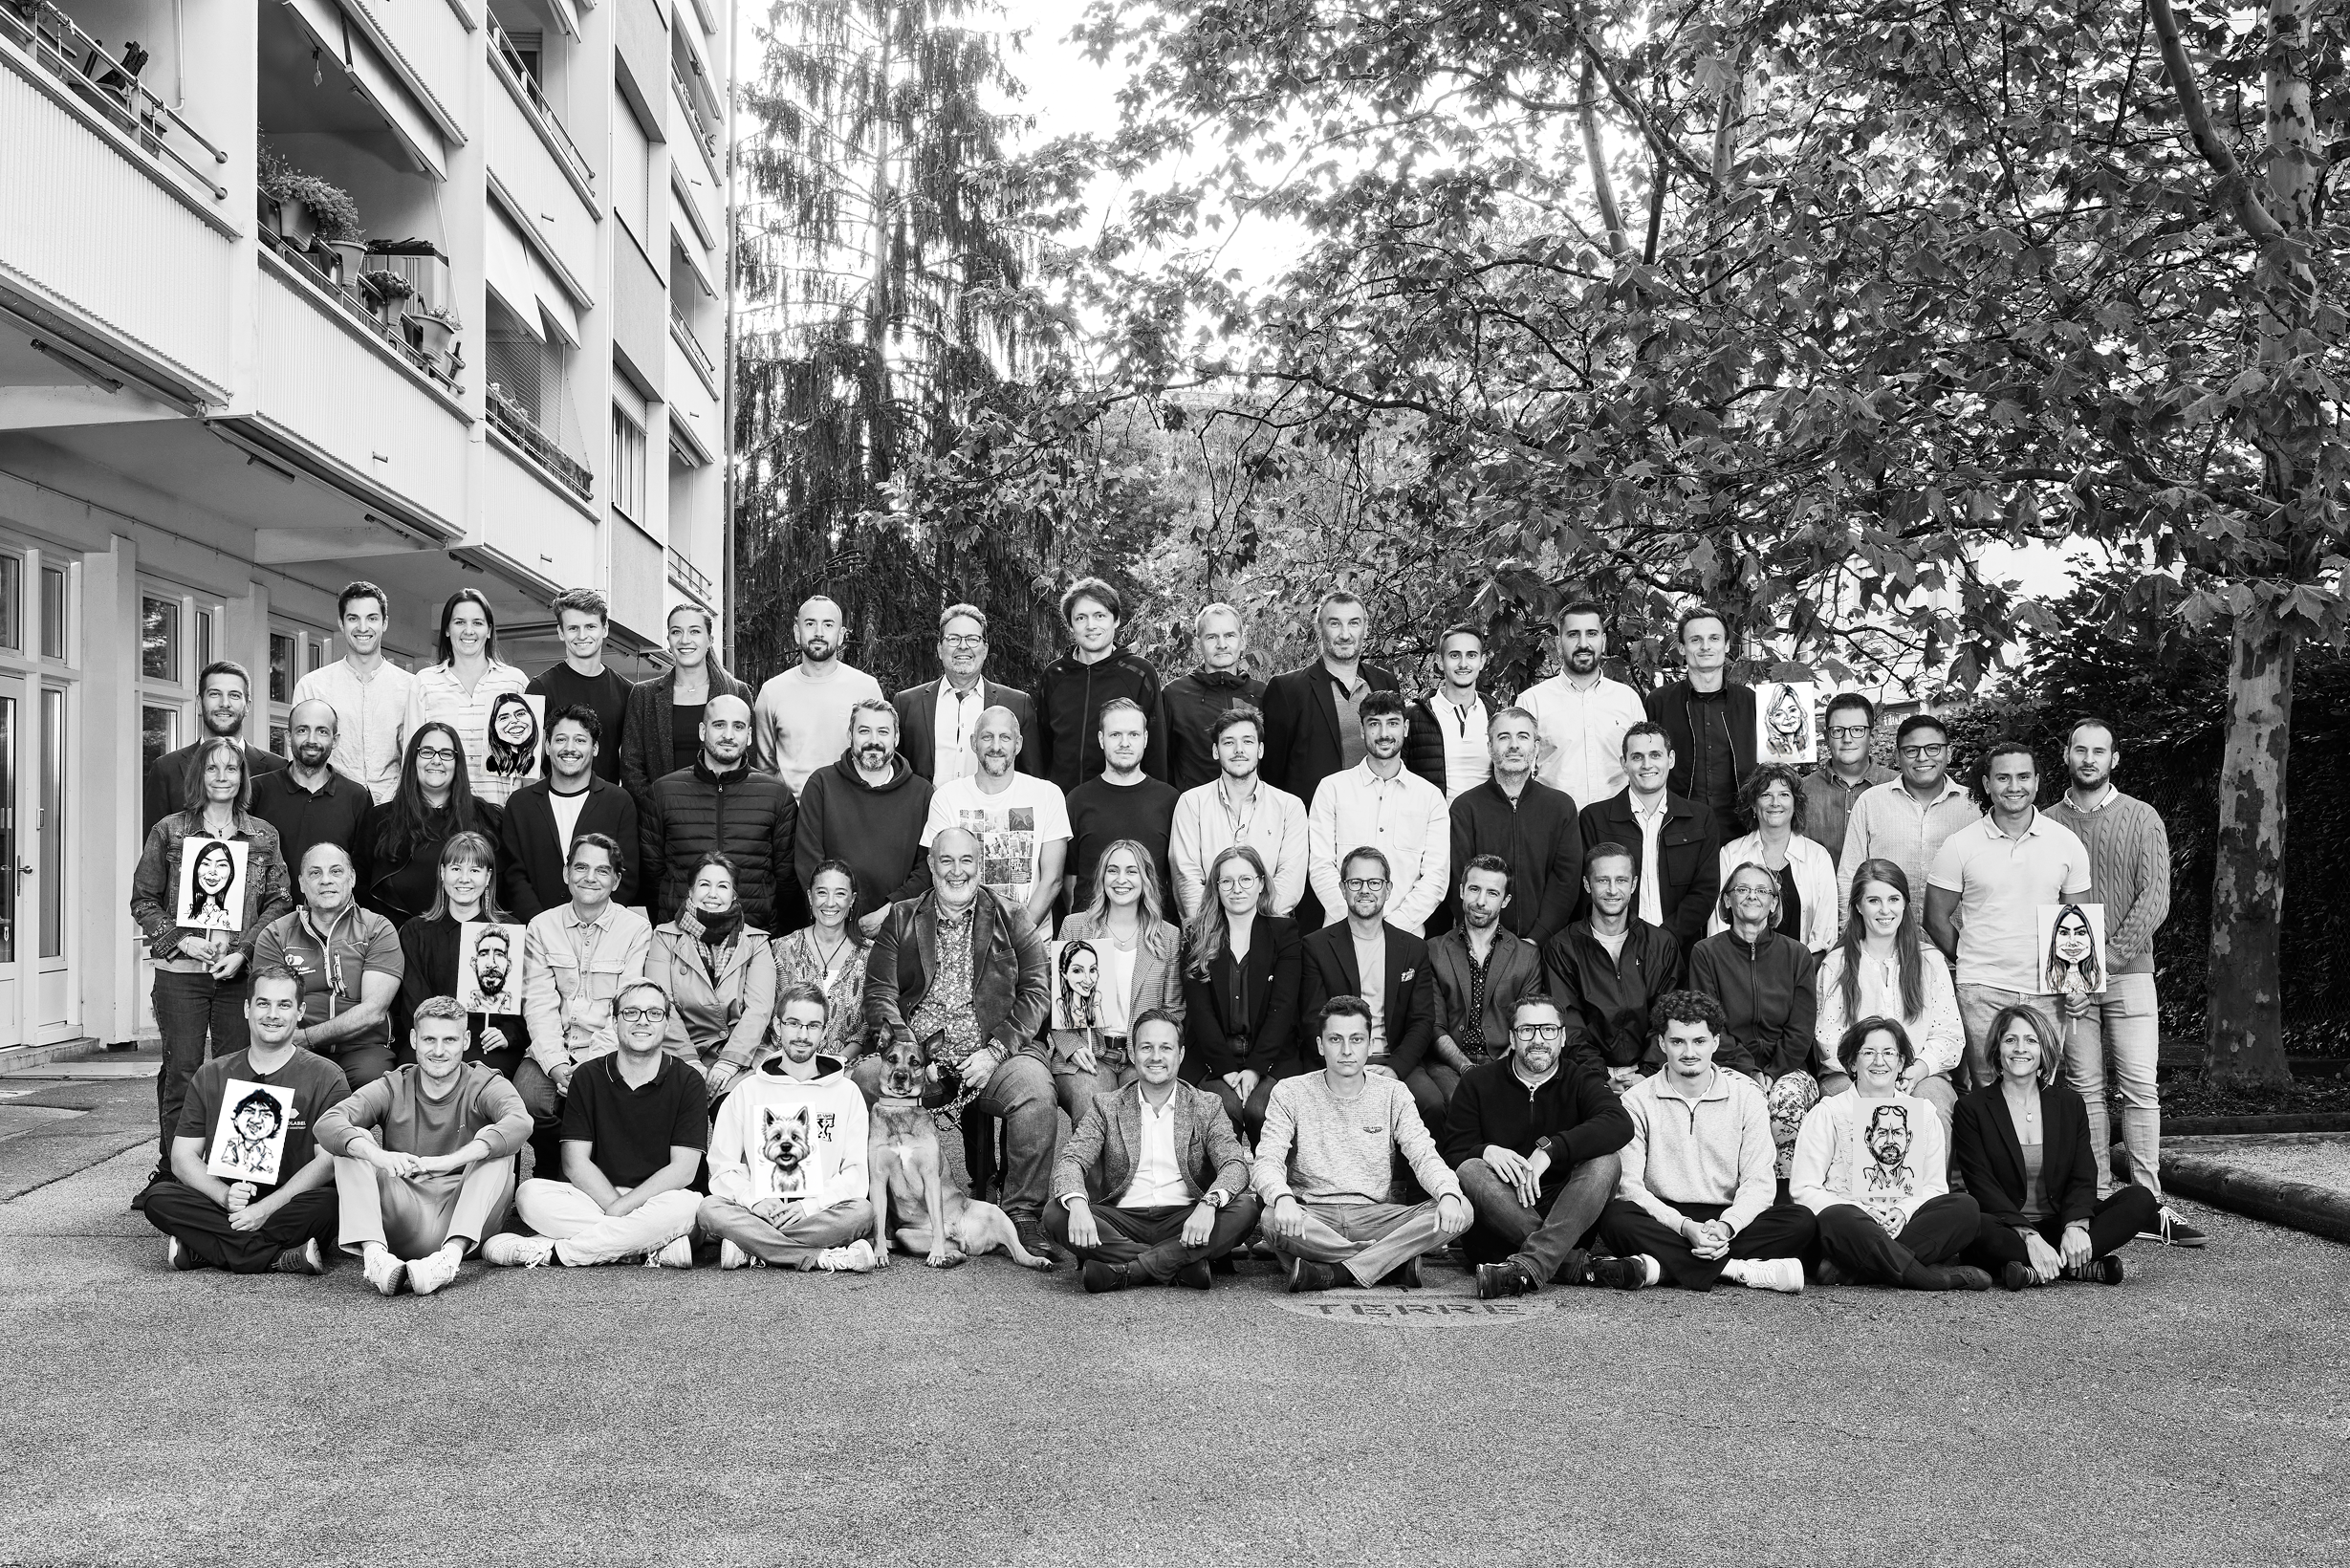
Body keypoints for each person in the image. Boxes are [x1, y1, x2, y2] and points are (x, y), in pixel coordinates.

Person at [857, 826, 1057, 1256]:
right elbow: (879, 991)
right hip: (920, 1057)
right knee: (866, 1078)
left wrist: (995, 1051)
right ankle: (879, 1213)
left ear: (980, 865)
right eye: (946, 860)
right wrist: (912, 1054)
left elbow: (1037, 992)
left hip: (995, 1052)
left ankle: (1023, 1212)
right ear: (931, 866)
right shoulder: (902, 916)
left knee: (1035, 1092)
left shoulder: (1012, 916)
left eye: (966, 860)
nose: (957, 870)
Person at [2044, 715, 2200, 1244]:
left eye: (2099, 751)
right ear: (2067, 755)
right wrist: (2075, 973)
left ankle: (2150, 1204)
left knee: (2139, 1087)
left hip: (2129, 974)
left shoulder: (2142, 817)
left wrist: (2106, 959)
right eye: (2080, 749)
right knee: (2084, 1088)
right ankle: (2097, 1198)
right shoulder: (2045, 823)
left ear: (2114, 759)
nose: (2088, 759)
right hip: (2067, 980)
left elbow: (2155, 898)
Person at [130, 737, 294, 1197]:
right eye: (212, 768)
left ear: (243, 777)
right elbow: (143, 899)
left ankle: (232, 1177)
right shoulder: (169, 831)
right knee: (182, 1073)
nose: (223, 776)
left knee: (237, 1074)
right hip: (180, 976)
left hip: (238, 975)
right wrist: (183, 939)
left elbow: (281, 900)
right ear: (198, 776)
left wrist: (244, 950)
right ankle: (174, 1175)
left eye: (232, 768)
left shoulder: (263, 836)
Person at [1593, 990, 1817, 1293]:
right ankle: (1736, 1270)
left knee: (1801, 1220)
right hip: (1665, 1215)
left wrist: (1727, 1226)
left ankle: (1661, 1267)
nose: (1689, 1052)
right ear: (1662, 1043)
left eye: (1699, 1041)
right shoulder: (1636, 1101)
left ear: (1715, 1042)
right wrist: (1685, 1227)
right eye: (1677, 1042)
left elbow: (1759, 1183)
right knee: (1615, 1218)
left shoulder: (1747, 1097)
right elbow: (1630, 1186)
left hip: (1727, 1214)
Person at [316, 996, 533, 1296]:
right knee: (354, 1141)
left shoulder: (484, 1082)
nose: (439, 1051)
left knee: (495, 1143)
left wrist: (450, 1160)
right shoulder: (394, 1085)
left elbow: (520, 1122)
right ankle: (375, 1259)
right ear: (414, 1039)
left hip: (467, 1219)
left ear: (466, 1040)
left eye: (449, 1040)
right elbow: (327, 1123)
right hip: (402, 1215)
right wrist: (376, 1154)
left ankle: (447, 1261)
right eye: (430, 1039)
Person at [1253, 996, 1469, 1292]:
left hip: (1376, 1217)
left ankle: (1335, 1271)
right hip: (1313, 1217)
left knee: (1461, 1206)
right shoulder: (1290, 1092)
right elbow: (1267, 1159)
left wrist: (1447, 1193)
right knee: (1270, 1217)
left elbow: (1424, 1156)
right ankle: (1386, 1263)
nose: (1346, 1050)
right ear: (1320, 1045)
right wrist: (1282, 1198)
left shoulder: (1394, 1093)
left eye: (1356, 1039)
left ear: (1370, 1045)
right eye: (1335, 1039)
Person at [489, 978, 707, 1268]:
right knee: (529, 1195)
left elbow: (683, 1170)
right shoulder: (588, 1076)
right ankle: (646, 1248)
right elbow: (575, 1163)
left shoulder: (689, 1080)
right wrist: (617, 1209)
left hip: (661, 1200)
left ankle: (556, 1252)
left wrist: (623, 1207)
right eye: (631, 1012)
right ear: (615, 1023)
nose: (642, 1021)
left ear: (667, 1024)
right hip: (597, 1198)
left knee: (689, 1206)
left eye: (654, 1013)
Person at [142, 965, 347, 1274]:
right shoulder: (212, 1074)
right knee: (159, 1197)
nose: (272, 1015)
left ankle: (207, 1251)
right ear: (247, 1008)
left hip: (290, 1201)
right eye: (263, 1003)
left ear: (300, 1012)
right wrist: (224, 1196)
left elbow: (328, 1162)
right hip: (227, 1199)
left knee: (330, 1203)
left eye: (284, 1005)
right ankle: (279, 1257)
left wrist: (266, 1208)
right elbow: (183, 1157)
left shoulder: (327, 1076)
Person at [1049, 1009, 1262, 1292]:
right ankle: (1179, 1264)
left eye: (1166, 1048)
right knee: (1056, 1212)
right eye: (1146, 1047)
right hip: (1123, 1218)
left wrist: (1208, 1205)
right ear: (1133, 1053)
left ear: (1180, 1054)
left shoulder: (1206, 1105)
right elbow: (1071, 1160)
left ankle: (1127, 1270)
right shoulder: (1107, 1106)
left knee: (1245, 1208)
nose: (1156, 1057)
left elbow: (1234, 1164)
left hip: (1185, 1217)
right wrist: (1077, 1205)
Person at [1954, 1003, 2163, 1288]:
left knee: (2141, 1199)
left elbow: (2083, 1174)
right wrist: (2029, 1235)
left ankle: (2033, 1270)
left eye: (2031, 1040)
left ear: (2044, 1050)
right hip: (2006, 1228)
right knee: (1974, 1224)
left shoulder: (2068, 1104)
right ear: (1997, 1049)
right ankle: (2074, 1267)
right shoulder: (1971, 1108)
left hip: (2059, 1223)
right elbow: (1981, 1185)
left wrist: (2075, 1225)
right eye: (2010, 1040)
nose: (2020, 1048)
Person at [1926, 739, 2093, 1087]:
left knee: (2038, 1090)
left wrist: (2076, 983)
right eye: (2003, 778)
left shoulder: (2066, 843)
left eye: (2023, 777)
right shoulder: (1960, 845)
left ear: (2037, 781)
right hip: (1982, 989)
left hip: (2047, 990)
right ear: (1987, 784)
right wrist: (1972, 957)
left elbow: (2077, 922)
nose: (2014, 786)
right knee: (1989, 1092)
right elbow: (1935, 918)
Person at [1445, 994, 1634, 1297]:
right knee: (1470, 1169)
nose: (1538, 1040)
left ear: (1562, 1037)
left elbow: (1619, 1123)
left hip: (1568, 1211)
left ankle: (1526, 1267)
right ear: (1512, 1037)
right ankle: (1572, 1264)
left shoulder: (1581, 1079)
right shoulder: (1477, 1082)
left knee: (1606, 1161)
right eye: (1527, 1030)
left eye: (1548, 1029)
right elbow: (1451, 1154)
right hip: (1499, 1222)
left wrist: (1550, 1149)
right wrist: (1486, 1151)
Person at [1792, 1018, 1991, 1291]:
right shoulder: (1828, 1113)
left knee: (1965, 1208)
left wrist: (1903, 1211)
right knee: (1836, 1217)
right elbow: (1803, 1189)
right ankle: (1930, 1278)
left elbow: (1934, 1187)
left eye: (1889, 1053)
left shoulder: (1924, 1114)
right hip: (1852, 1228)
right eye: (1868, 1052)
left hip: (1902, 1226)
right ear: (1852, 1063)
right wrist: (1867, 1212)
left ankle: (1855, 1271)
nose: (1879, 1061)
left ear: (1900, 1064)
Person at [698, 981, 879, 1273]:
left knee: (861, 1212)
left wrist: (810, 1205)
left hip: (817, 1213)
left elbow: (855, 1175)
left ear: (824, 1030)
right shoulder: (747, 1091)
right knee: (709, 1209)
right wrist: (756, 1201)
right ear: (777, 1026)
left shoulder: (846, 1093)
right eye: (793, 1023)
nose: (802, 1035)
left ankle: (753, 1248)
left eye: (813, 1025)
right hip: (759, 1213)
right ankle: (819, 1257)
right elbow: (723, 1167)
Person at [1259, 591, 1402, 916]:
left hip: (1376, 824)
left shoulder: (1384, 682)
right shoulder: (1288, 689)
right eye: (1335, 623)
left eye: (1354, 623)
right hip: (1316, 832)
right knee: (1318, 924)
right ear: (1320, 628)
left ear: (1365, 627)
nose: (1345, 633)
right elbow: (1273, 775)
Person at [1689, 862, 1821, 1176]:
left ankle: (1784, 1194)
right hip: (1728, 1066)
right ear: (1727, 900)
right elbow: (1708, 1025)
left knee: (1786, 1102)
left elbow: (1801, 1028)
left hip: (1790, 1069)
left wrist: (1773, 1073)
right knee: (1743, 1100)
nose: (1752, 896)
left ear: (1774, 903)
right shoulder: (1706, 953)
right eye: (1742, 889)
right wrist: (1749, 1071)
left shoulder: (1797, 954)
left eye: (1762, 890)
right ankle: (1735, 1190)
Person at [1815, 860, 1963, 1129]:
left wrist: (1918, 1068)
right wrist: (1874, 1071)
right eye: (1874, 900)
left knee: (1935, 1110)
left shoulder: (1930, 961)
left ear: (1905, 903)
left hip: (1918, 1072)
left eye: (1893, 899)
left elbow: (1949, 1034)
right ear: (1858, 906)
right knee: (1850, 1112)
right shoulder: (1837, 964)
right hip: (1850, 1074)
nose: (1885, 910)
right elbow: (1828, 1039)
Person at [1299, 847, 1441, 1129]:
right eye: (1356, 882)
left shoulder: (1413, 949)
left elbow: (1422, 1020)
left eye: (1374, 882)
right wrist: (1349, 1064)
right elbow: (1312, 1019)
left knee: (1432, 1104)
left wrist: (1395, 1068)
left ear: (1388, 889)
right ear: (1343, 889)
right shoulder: (1316, 946)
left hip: (1395, 1059)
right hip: (1338, 1060)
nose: (1365, 890)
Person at [1047, 840, 1185, 1126]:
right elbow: (1059, 1004)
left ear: (1146, 879)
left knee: (1140, 1120)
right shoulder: (1076, 927)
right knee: (1094, 1115)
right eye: (1113, 870)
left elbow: (1173, 1012)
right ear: (1102, 877)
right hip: (1088, 1052)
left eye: (1131, 871)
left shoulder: (1168, 937)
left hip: (1142, 1055)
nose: (1121, 879)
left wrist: (1155, 1053)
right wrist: (1072, 1046)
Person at [518, 834, 654, 1115]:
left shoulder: (636, 930)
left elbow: (627, 1010)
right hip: (554, 1050)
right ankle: (554, 1147)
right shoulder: (541, 927)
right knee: (528, 1099)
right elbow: (538, 1005)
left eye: (602, 870)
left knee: (612, 1107)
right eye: (581, 867)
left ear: (616, 881)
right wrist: (556, 1065)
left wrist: (592, 1065)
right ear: (566, 873)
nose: (590, 878)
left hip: (612, 1052)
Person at [251, 844, 403, 1091]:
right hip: (294, 1047)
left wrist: (308, 1037)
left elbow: (373, 1011)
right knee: (281, 1080)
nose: (326, 880)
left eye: (336, 871)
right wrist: (291, 1041)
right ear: (301, 883)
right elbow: (268, 1005)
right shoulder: (277, 934)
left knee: (371, 1079)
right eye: (315, 873)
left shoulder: (377, 929)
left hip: (362, 1049)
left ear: (352, 878)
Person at [641, 694, 797, 933]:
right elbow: (652, 876)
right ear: (702, 731)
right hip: (681, 937)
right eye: (719, 725)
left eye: (738, 726)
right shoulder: (662, 793)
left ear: (749, 735)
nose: (728, 735)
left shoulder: (777, 796)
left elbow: (787, 880)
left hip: (754, 937)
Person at [1305, 688, 1451, 937]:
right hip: (1339, 936)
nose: (1384, 734)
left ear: (1405, 728)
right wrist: (1355, 923)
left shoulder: (1430, 797)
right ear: (1362, 730)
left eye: (1392, 723)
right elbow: (1320, 866)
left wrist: (1391, 930)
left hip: (1405, 936)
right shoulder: (1332, 789)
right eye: (1374, 724)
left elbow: (1436, 877)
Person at [1180, 844, 1302, 1138]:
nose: (1237, 889)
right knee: (1224, 1108)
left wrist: (1256, 1068)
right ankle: (1226, 1169)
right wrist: (1226, 1069)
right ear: (1216, 887)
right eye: (1227, 881)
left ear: (1261, 883)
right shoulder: (1197, 935)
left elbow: (1282, 1008)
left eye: (1246, 879)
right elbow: (1201, 1012)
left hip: (1271, 1056)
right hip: (1213, 1056)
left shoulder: (1284, 934)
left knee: (1262, 1110)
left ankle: (1270, 1169)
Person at [1578, 721, 1720, 965]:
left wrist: (1665, 939)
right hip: (1613, 953)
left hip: (1681, 953)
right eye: (1637, 757)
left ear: (1670, 759)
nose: (1647, 764)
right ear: (1624, 763)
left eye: (1655, 755)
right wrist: (1627, 940)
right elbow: (1590, 890)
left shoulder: (1701, 818)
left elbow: (1705, 890)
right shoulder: (1594, 819)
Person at [920, 704, 1069, 935]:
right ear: (973, 743)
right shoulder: (947, 797)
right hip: (964, 940)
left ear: (1018, 744)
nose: (996, 746)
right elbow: (941, 874)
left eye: (1005, 737)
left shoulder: (1047, 795)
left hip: (1031, 939)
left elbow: (1052, 880)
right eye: (987, 737)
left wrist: (1016, 936)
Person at [1544, 841, 1681, 1088]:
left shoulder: (1661, 944)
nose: (1612, 890)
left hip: (1655, 1074)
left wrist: (1647, 1074)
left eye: (1621, 880)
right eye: (1602, 880)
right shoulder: (1562, 948)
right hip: (1586, 1077)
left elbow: (1669, 1016)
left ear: (1633, 884)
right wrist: (1601, 1078)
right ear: (1587, 884)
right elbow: (1569, 1024)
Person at [794, 697, 933, 935]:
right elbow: (808, 861)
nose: (873, 741)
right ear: (850, 735)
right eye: (864, 731)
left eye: (883, 732)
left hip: (898, 929)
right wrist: (839, 916)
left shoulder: (922, 793)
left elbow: (926, 867)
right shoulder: (822, 785)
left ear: (896, 738)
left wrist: (889, 913)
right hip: (833, 928)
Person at [1449, 705, 1584, 947]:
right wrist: (1490, 940)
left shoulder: (1560, 808)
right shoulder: (1465, 809)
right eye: (1504, 737)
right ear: (1490, 747)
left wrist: (1537, 938)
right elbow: (1459, 881)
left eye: (1523, 737)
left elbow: (1566, 881)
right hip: (1481, 944)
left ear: (1536, 746)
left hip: (1547, 946)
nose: (1514, 745)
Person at [394, 832, 526, 1073]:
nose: (464, 879)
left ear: (488, 877)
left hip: (486, 1040)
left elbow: (523, 1003)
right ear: (442, 873)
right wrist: (441, 1037)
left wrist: (508, 1034)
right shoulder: (415, 931)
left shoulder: (508, 931)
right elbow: (413, 1002)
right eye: (456, 869)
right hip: (433, 1039)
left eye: (475, 870)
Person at [649, 853, 777, 1100]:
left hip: (741, 1053)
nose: (712, 894)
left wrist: (729, 1062)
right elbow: (659, 1005)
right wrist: (689, 1059)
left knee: (739, 1102)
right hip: (681, 1050)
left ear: (734, 895)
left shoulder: (756, 941)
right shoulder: (665, 937)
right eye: (705, 884)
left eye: (722, 886)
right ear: (691, 891)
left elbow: (759, 1009)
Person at [1168, 704, 1311, 920]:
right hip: (1208, 930)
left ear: (1260, 750)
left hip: (1271, 928)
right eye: (1228, 742)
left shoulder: (1289, 807)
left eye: (1247, 741)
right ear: (1215, 751)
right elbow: (1186, 877)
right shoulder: (1191, 803)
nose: (1239, 750)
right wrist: (1212, 928)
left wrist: (1255, 928)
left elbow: (1290, 880)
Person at [1834, 711, 1978, 923]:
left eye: (1933, 748)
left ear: (1949, 752)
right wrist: (1850, 932)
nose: (1922, 757)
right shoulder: (1870, 802)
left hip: (1958, 939)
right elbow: (1849, 876)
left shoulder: (1975, 806)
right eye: (1911, 750)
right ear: (1897, 756)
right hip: (1886, 937)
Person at [359, 722, 506, 927]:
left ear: (457, 762)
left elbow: (502, 892)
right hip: (394, 938)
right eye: (427, 752)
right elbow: (359, 889)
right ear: (413, 759)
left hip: (466, 941)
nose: (436, 760)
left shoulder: (487, 819)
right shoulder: (379, 820)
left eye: (446, 753)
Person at [499, 705, 639, 921]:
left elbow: (626, 874)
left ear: (595, 748)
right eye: (561, 739)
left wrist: (594, 923)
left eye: (580, 740)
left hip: (601, 931)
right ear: (547, 746)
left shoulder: (619, 802)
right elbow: (513, 875)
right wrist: (542, 926)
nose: (569, 748)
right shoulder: (520, 805)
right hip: (535, 930)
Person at [1425, 855, 1544, 1108]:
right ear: (1461, 891)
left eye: (1492, 893)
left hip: (1508, 1062)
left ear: (1505, 900)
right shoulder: (1433, 951)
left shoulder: (1526, 956)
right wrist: (1467, 1068)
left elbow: (1526, 1026)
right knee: (1459, 1103)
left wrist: (1497, 1070)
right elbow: (1434, 1026)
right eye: (1474, 889)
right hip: (1447, 1064)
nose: (1480, 901)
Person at [1034, 577, 1167, 789]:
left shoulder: (1140, 673)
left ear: (1116, 620)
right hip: (1061, 800)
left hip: (1120, 800)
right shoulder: (1054, 675)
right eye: (1081, 618)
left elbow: (1156, 749)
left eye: (1099, 616)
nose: (1091, 625)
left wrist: (1156, 800)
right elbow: (1042, 745)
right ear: (1071, 625)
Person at [403, 589, 533, 807]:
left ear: (489, 630)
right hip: (442, 813)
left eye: (477, 623)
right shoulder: (425, 683)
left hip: (501, 811)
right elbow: (412, 759)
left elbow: (527, 763)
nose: (469, 631)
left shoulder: (515, 682)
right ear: (447, 629)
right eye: (460, 622)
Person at [1515, 600, 1649, 810]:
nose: (1583, 643)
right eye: (1573, 634)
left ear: (1603, 641)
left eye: (1591, 634)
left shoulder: (1628, 699)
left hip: (1618, 821)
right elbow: (1518, 773)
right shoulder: (1531, 701)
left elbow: (1644, 767)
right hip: (1555, 821)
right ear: (1559, 643)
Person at [293, 580, 415, 805]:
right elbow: (302, 757)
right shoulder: (313, 686)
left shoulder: (411, 687)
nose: (363, 627)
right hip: (331, 805)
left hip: (396, 807)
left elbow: (416, 756)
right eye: (353, 618)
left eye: (372, 618)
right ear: (341, 624)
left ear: (385, 623)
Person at [752, 595, 887, 795]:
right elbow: (765, 768)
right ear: (797, 632)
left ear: (841, 635)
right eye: (810, 624)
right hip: (792, 810)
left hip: (852, 807)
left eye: (828, 625)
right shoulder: (772, 692)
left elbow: (880, 756)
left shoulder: (866, 689)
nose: (819, 632)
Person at [890, 602, 1036, 787]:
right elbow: (895, 773)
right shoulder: (906, 704)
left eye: (973, 639)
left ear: (985, 650)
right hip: (926, 806)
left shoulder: (1018, 705)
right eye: (953, 639)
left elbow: (1031, 780)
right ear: (940, 649)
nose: (963, 646)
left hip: (993, 805)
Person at [620, 602, 753, 805]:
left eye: (694, 631)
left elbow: (749, 760)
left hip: (724, 812)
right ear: (668, 640)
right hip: (660, 814)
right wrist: (658, 809)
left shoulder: (736, 691)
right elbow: (631, 766)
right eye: (676, 632)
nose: (684, 640)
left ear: (710, 639)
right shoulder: (644, 694)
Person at [141, 660, 289, 836]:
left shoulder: (278, 768)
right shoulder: (166, 769)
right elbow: (155, 845)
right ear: (199, 703)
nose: (224, 703)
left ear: (247, 706)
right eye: (215, 694)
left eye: (234, 695)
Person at [1643, 604, 1755, 828]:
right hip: (1675, 828)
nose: (1705, 647)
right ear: (1682, 648)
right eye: (1695, 640)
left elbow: (1775, 766)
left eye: (1714, 638)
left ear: (1726, 645)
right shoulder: (1659, 702)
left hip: (1742, 829)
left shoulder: (1751, 702)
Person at [1062, 698, 1181, 910]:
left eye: (1133, 735)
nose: (1124, 743)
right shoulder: (1077, 800)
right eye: (1115, 734)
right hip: (1090, 927)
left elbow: (1177, 876)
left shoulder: (1170, 800)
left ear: (1145, 739)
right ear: (1101, 739)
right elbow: (1069, 878)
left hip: (1152, 926)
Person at [1706, 764, 1838, 952]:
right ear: (1753, 804)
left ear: (1795, 803)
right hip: (1738, 966)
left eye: (1784, 795)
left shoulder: (1818, 857)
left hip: (1803, 967)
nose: (1775, 803)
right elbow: (1719, 925)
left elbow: (1826, 933)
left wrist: (1806, 967)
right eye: (1766, 795)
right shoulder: (1730, 854)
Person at [249, 699, 372, 896]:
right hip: (267, 913)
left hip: (332, 913)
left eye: (322, 731)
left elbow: (363, 875)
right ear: (288, 737)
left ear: (335, 740)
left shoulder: (357, 798)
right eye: (302, 730)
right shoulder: (256, 790)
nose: (311, 740)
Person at [525, 586, 631, 786]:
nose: (582, 636)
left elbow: (633, 763)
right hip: (554, 802)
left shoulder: (627, 691)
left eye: (590, 626)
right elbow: (528, 768)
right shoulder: (539, 688)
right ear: (561, 632)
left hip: (608, 802)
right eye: (573, 628)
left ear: (605, 629)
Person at [1161, 601, 1267, 791]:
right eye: (1212, 637)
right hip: (1193, 805)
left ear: (1242, 641)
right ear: (1197, 644)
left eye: (1229, 635)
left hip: (1253, 805)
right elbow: (1161, 761)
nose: (1222, 645)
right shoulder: (1175, 695)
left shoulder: (1262, 694)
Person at [773, 860, 869, 1059]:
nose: (830, 902)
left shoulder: (870, 955)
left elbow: (869, 1024)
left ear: (852, 900)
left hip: (847, 1066)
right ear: (810, 897)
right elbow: (771, 1017)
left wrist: (838, 1062)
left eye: (840, 893)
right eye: (822, 892)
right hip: (787, 1063)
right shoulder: (783, 949)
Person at [1802, 693, 1895, 867]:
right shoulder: (1802, 792)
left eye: (1857, 730)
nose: (1847, 739)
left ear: (1872, 736)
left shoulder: (1898, 787)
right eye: (1838, 730)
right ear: (1827, 737)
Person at [1403, 624, 1491, 800]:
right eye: (1454, 655)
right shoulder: (1413, 715)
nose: (1463, 664)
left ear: (1482, 661)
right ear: (1440, 661)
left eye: (1471, 655)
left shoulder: (1496, 715)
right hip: (1433, 817)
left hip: (1489, 818)